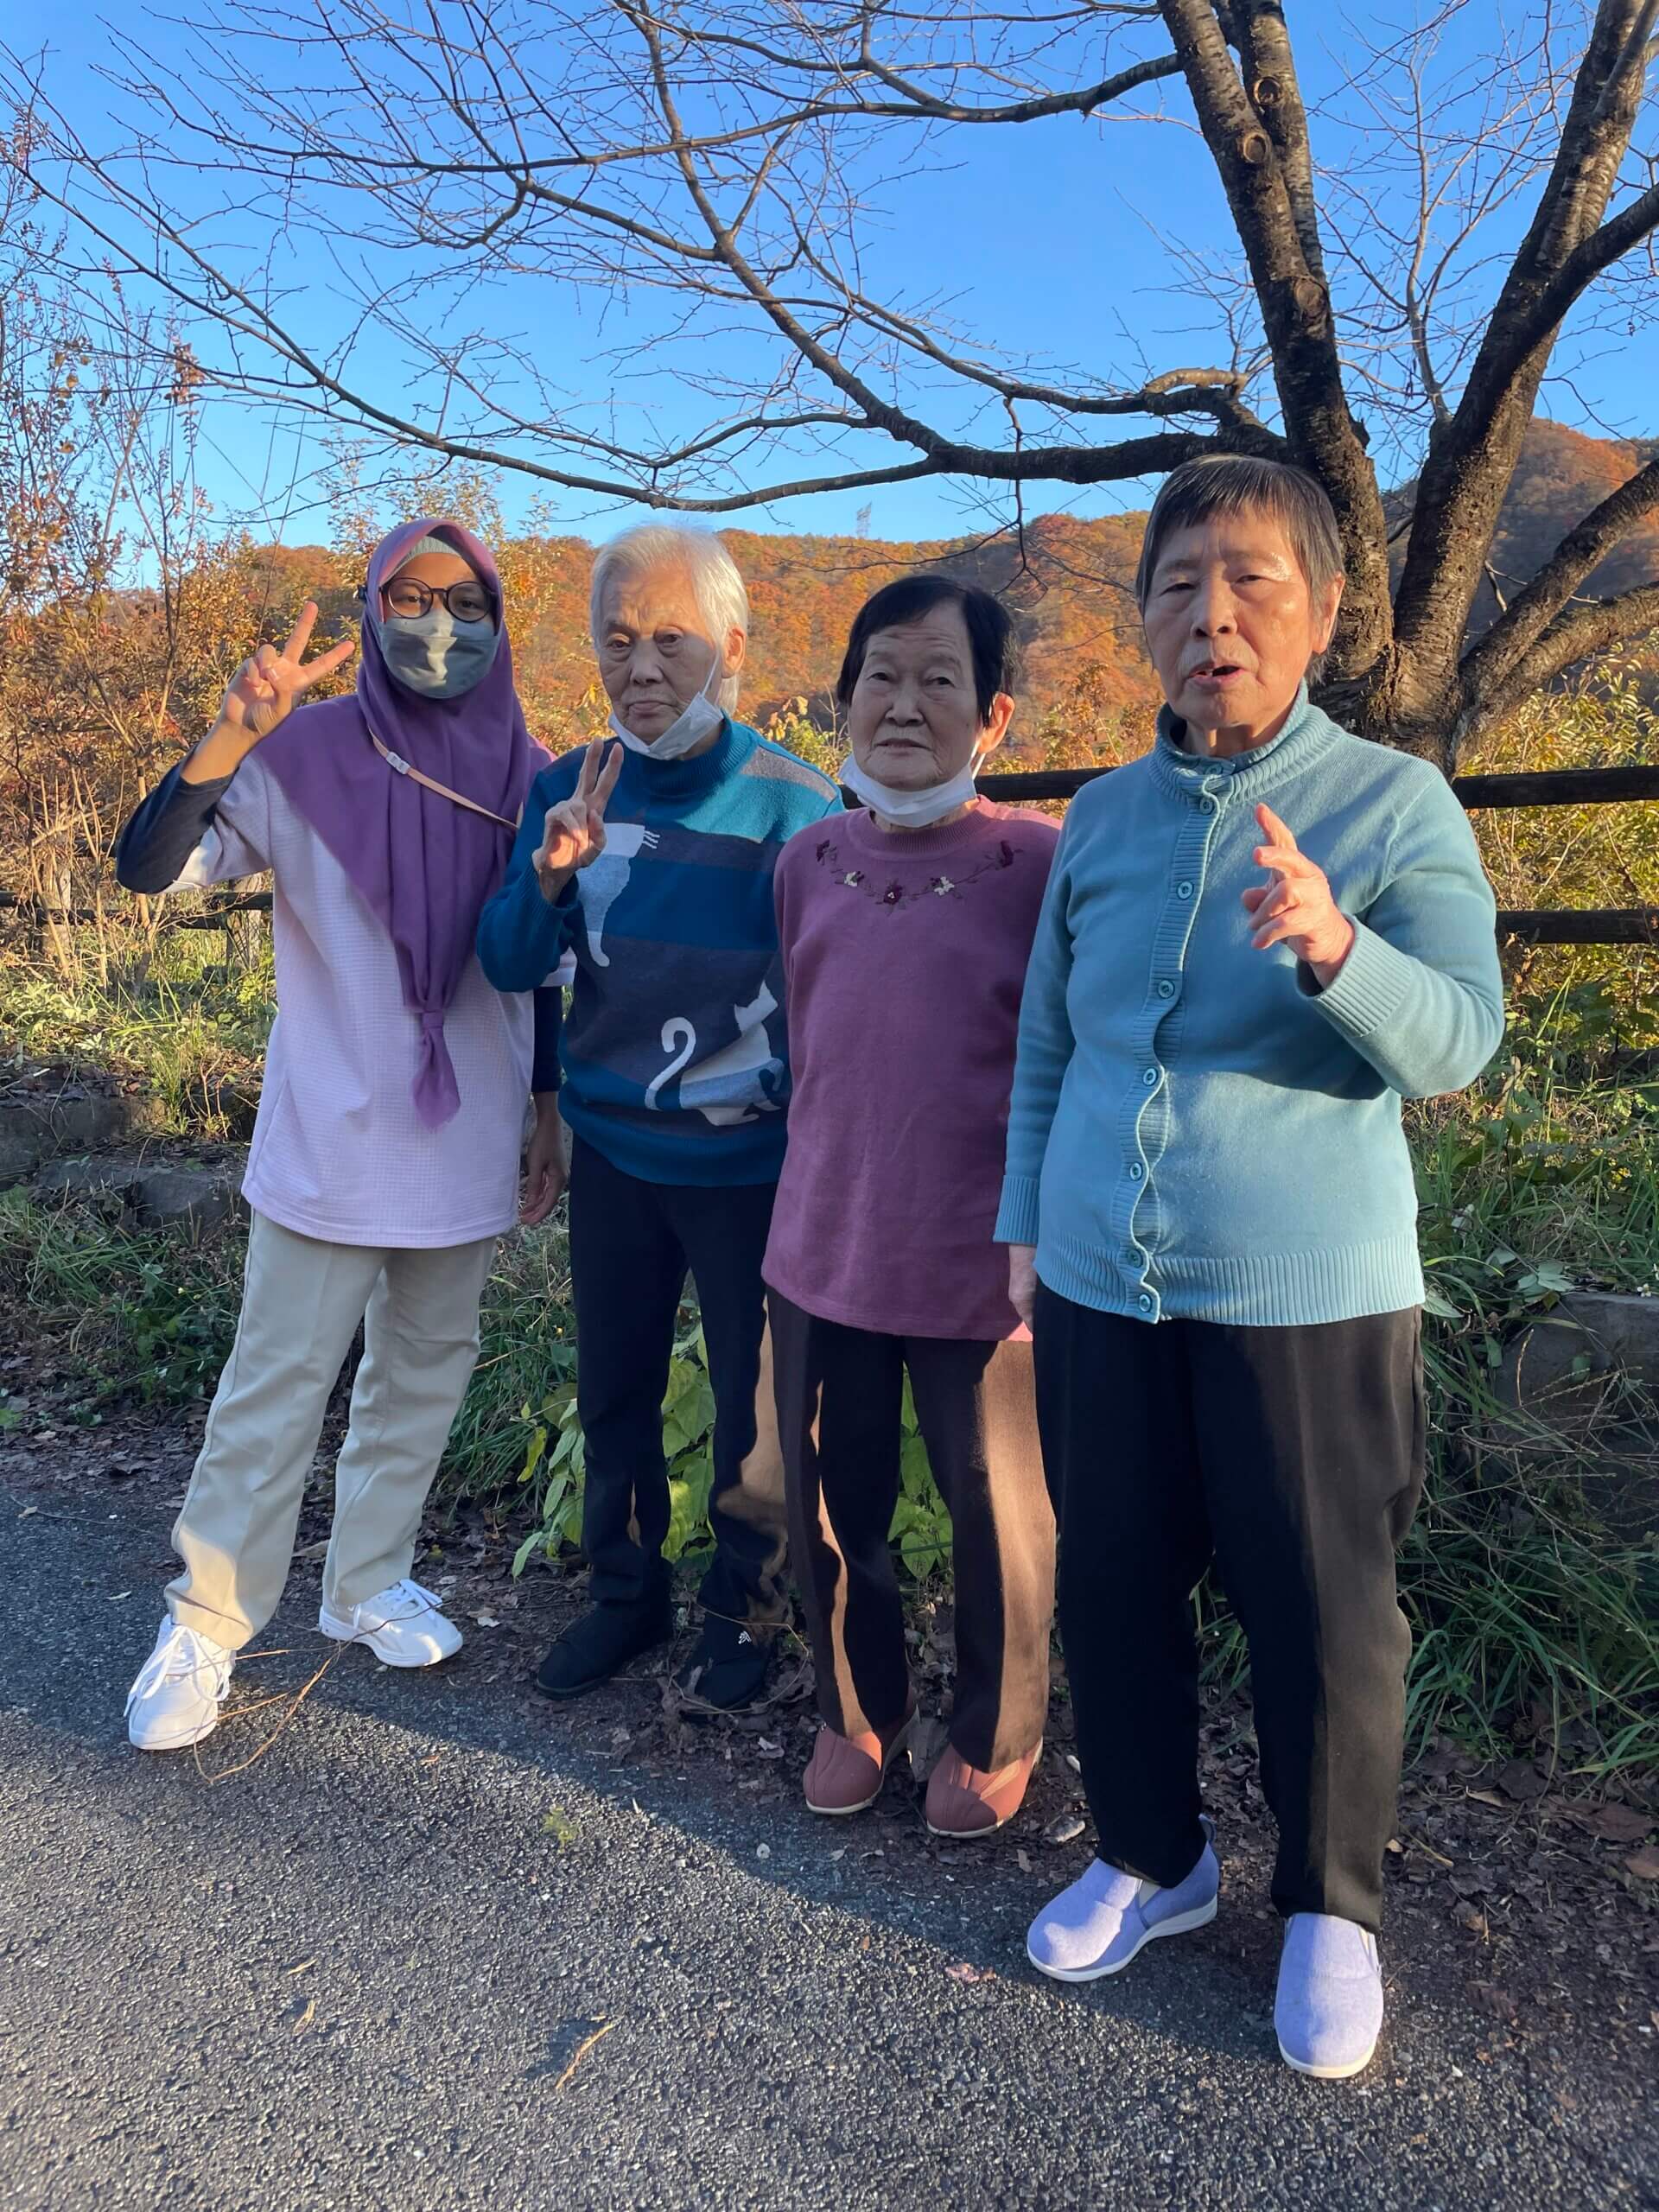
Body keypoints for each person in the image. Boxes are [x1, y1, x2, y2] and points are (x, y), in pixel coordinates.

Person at [1002, 456, 1503, 2079]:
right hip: (1095, 1274)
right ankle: (1153, 1854)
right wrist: (1026, 1225)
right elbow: (1047, 1043)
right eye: (1177, 584)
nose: (1211, 616)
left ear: (1326, 608)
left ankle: (1330, 1904)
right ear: (1144, 614)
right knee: (1118, 1573)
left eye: (1252, 581)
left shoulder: (1391, 804)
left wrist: (1340, 946)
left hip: (1312, 1290)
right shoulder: (1101, 815)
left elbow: (1460, 1042)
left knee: (1324, 1602)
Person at [115, 520, 564, 1751]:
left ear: (499, 619)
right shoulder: (300, 755)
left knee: (424, 1371)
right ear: (369, 613)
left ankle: (366, 1581)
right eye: (411, 602)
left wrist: (545, 1106)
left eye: (465, 603)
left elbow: (551, 965)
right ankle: (205, 1622)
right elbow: (148, 869)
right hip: (331, 1131)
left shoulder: (531, 772)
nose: (439, 627)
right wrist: (229, 734)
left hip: (472, 1127)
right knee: (276, 1385)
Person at [476, 524, 841, 1711]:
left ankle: (747, 1611)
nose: (642, 669)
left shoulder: (799, 810)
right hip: (617, 1152)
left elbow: (839, 1005)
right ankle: (625, 1598)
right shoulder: (565, 787)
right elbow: (507, 960)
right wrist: (546, 878)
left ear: (733, 646)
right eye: (617, 641)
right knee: (616, 1386)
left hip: (751, 1162)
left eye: (672, 641)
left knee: (757, 1407)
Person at [765, 575, 1058, 1840]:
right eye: (880, 674)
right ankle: (854, 1710)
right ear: (841, 700)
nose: (904, 703)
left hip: (984, 1263)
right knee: (826, 1505)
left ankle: (1000, 1728)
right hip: (822, 1240)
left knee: (1001, 1515)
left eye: (940, 678)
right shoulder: (805, 863)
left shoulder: (1039, 864)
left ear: (991, 716)